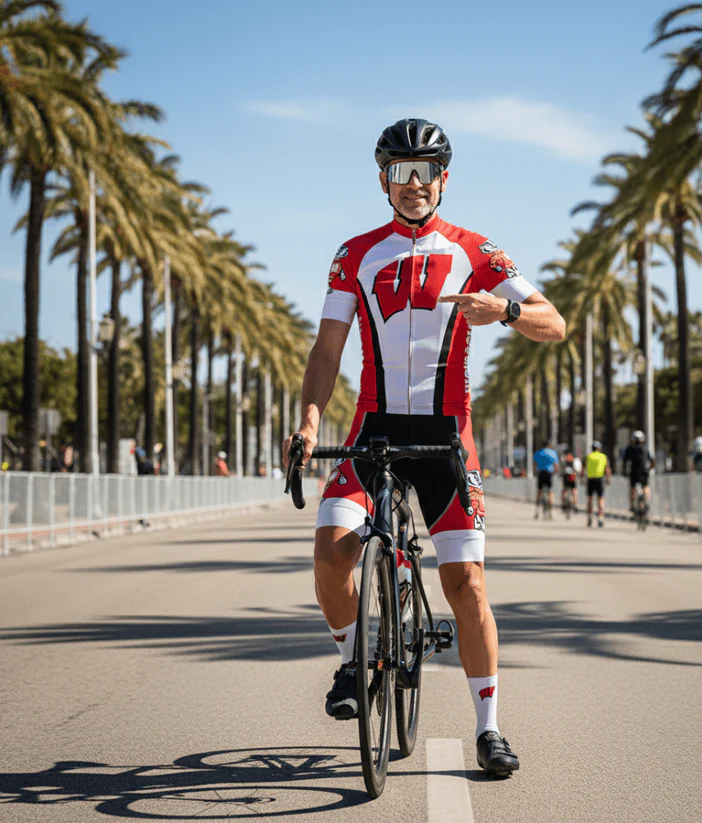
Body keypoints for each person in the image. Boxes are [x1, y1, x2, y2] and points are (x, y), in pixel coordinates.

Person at [282, 118, 565, 777]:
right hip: (372, 430)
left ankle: (489, 728)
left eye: (424, 171)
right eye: (398, 172)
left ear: (444, 177)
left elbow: (554, 322)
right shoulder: (354, 254)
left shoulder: (477, 252)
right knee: (329, 552)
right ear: (382, 180)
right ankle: (354, 657)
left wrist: (509, 313)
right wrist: (306, 421)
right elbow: (327, 348)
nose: (412, 185)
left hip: (445, 435)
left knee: (465, 581)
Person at [623, 431, 654, 514]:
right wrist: (650, 469)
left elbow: (625, 461)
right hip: (644, 472)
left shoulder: (630, 449)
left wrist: (624, 471)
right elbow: (652, 461)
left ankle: (632, 505)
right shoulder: (645, 448)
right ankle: (647, 501)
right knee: (646, 487)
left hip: (634, 473)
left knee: (632, 488)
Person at [585, 440, 611, 528]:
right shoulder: (603, 457)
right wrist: (608, 478)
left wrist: (581, 478)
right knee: (600, 499)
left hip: (590, 479)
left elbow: (584, 468)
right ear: (599, 448)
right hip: (599, 479)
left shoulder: (588, 457)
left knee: (590, 499)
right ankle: (600, 517)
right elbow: (607, 469)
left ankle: (589, 517)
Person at [533, 441, 559, 518]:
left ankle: (537, 511)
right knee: (550, 491)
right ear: (549, 445)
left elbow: (534, 463)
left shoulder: (539, 452)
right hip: (549, 473)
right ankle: (551, 511)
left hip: (541, 473)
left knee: (539, 491)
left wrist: (536, 470)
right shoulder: (553, 453)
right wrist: (555, 472)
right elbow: (556, 465)